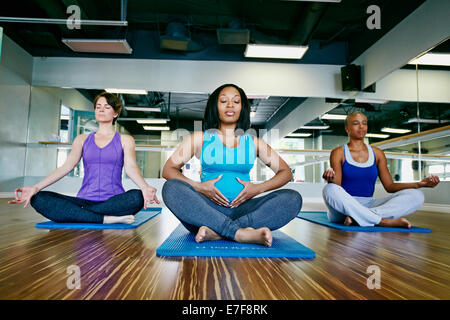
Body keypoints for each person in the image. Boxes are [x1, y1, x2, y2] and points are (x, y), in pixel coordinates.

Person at [161, 84, 302, 247]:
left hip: (243, 211)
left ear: (242, 108)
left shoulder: (254, 142)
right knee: (171, 188)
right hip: (206, 212)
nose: (230, 105)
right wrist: (199, 187)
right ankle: (239, 233)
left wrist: (258, 188)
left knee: (293, 199)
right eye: (223, 101)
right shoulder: (199, 138)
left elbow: (286, 172)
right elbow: (168, 170)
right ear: (215, 106)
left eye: (236, 101)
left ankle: (218, 233)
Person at [9, 92, 160, 224]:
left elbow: (131, 167)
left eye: (107, 107)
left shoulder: (125, 140)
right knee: (39, 198)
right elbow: (66, 167)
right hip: (84, 200)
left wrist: (144, 187)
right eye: (98, 106)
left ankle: (83, 214)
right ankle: (104, 219)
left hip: (114, 201)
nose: (101, 109)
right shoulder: (81, 139)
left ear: (115, 113)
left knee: (137, 197)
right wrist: (36, 187)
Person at [322, 111, 439, 228]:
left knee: (417, 195)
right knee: (329, 188)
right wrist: (331, 179)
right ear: (347, 128)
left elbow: (390, 186)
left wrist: (418, 184)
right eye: (356, 123)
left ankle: (359, 218)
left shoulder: (377, 153)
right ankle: (382, 221)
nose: (361, 126)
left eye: (364, 123)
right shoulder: (338, 152)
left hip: (369, 205)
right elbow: (337, 187)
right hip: (343, 209)